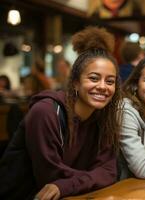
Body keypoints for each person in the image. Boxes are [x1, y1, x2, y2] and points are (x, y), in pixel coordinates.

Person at [10, 26, 122, 199]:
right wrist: (92, 177)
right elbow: (50, 178)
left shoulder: (104, 117)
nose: (102, 86)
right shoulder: (46, 112)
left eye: (110, 81)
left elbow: (109, 171)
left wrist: (67, 185)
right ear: (75, 83)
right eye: (93, 78)